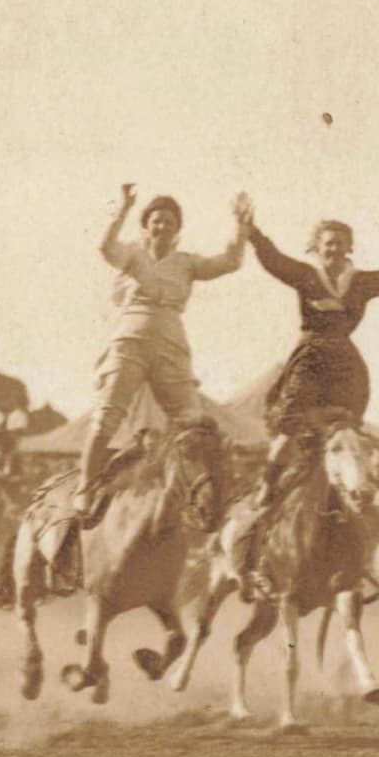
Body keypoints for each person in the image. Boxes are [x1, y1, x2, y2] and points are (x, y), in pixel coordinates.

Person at [235, 209, 379, 593]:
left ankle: (352, 504)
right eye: (327, 244)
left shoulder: (361, 282)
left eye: (340, 243)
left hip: (345, 364)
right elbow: (273, 260)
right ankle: (268, 487)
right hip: (310, 359)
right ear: (317, 249)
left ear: (349, 248)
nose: (334, 249)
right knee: (289, 427)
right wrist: (252, 231)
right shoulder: (306, 275)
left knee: (348, 434)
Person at [77, 183, 249, 523]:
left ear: (177, 229)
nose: (162, 226)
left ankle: (207, 495)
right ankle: (85, 487)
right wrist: (123, 209)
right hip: (130, 339)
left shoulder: (186, 263)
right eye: (156, 220)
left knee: (194, 423)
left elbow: (229, 262)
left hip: (170, 343)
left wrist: (241, 227)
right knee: (106, 417)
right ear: (146, 225)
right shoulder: (132, 253)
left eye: (170, 221)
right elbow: (104, 247)